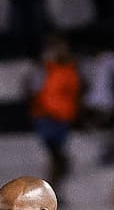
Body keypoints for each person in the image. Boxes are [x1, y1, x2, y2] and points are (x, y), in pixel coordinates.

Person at [27, 36, 80, 200]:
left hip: (62, 118)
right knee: (58, 158)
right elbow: (33, 90)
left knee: (61, 160)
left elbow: (73, 93)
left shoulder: (71, 69)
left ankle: (52, 192)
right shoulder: (45, 69)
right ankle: (49, 193)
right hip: (48, 117)